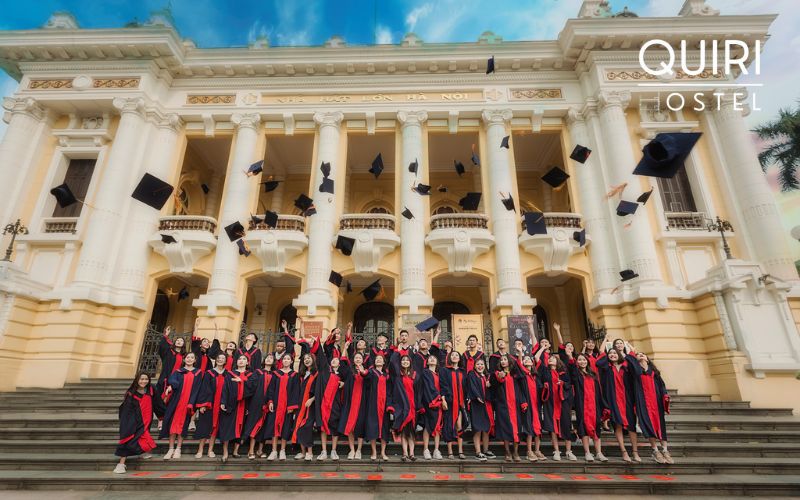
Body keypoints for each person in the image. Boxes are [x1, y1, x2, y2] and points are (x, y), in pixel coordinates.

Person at [625, 344, 673, 464]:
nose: (640, 356)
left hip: (656, 403)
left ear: (647, 359)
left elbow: (662, 386)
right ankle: (655, 450)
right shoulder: (636, 372)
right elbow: (629, 361)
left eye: (642, 355)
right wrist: (632, 352)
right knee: (649, 426)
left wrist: (665, 397)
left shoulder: (654, 373)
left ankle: (665, 450)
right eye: (638, 355)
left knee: (660, 426)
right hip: (643, 403)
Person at [596, 346, 638, 463]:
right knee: (617, 426)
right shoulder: (606, 368)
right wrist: (606, 354)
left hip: (627, 400)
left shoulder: (626, 367)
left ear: (620, 354)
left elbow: (637, 370)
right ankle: (624, 451)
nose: (613, 354)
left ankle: (635, 452)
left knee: (631, 426)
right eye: (611, 353)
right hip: (613, 401)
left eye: (615, 353)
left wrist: (628, 355)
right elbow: (599, 363)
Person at [160, 352, 202, 460]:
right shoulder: (178, 372)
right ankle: (170, 449)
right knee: (172, 425)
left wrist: (192, 403)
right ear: (184, 359)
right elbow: (172, 380)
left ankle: (178, 448)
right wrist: (172, 386)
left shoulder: (198, 373)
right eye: (187, 357)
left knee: (183, 426)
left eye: (192, 357)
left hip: (187, 404)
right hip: (175, 403)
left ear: (195, 360)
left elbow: (197, 389)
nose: (189, 359)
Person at [114, 372, 158, 474]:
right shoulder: (131, 393)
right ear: (137, 380)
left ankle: (142, 452)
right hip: (134, 421)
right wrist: (129, 424)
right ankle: (121, 464)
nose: (144, 381)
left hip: (147, 419)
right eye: (141, 379)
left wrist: (162, 416)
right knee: (128, 439)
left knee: (143, 437)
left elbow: (157, 402)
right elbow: (126, 410)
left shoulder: (151, 389)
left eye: (146, 379)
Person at [538, 351, 576, 461]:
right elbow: (540, 382)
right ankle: (557, 451)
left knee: (566, 425)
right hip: (550, 403)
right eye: (549, 358)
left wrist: (562, 384)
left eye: (553, 358)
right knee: (552, 427)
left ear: (557, 361)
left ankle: (568, 451)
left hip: (563, 402)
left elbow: (570, 383)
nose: (550, 359)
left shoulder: (564, 373)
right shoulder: (545, 372)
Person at [571, 353, 607, 462]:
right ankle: (587, 452)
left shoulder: (593, 374)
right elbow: (571, 368)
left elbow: (598, 391)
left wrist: (602, 405)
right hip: (582, 405)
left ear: (587, 361)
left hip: (594, 405)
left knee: (596, 427)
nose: (582, 361)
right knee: (583, 427)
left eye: (584, 360)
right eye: (580, 360)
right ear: (577, 362)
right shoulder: (576, 374)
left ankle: (599, 453)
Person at [315, 334, 346, 461]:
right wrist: (316, 341)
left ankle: (333, 450)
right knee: (323, 426)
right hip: (324, 403)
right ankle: (323, 451)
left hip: (336, 404)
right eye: (332, 360)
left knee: (334, 426)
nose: (334, 361)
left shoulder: (342, 376)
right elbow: (321, 355)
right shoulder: (324, 371)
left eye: (336, 360)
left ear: (339, 364)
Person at [265, 353, 299, 461]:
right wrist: (270, 401)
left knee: (285, 427)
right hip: (276, 405)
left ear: (291, 361)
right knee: (274, 427)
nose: (286, 360)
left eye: (288, 359)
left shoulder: (294, 375)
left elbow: (295, 392)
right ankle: (274, 451)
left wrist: (292, 406)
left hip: (287, 406)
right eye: (284, 358)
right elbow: (271, 388)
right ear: (281, 361)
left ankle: (282, 450)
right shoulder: (276, 374)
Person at [194, 352, 228, 458]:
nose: (221, 359)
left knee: (215, 428)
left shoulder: (228, 374)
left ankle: (210, 450)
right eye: (219, 358)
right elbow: (204, 389)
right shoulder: (209, 373)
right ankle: (200, 450)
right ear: (216, 360)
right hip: (210, 404)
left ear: (226, 361)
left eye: (223, 358)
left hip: (221, 405)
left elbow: (228, 391)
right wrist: (203, 404)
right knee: (205, 427)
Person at [218, 354, 250, 463]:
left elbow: (252, 390)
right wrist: (223, 402)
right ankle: (225, 452)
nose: (241, 361)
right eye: (239, 359)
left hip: (243, 405)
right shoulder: (230, 374)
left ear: (247, 362)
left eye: (244, 359)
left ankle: (236, 451)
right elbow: (225, 388)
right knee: (227, 427)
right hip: (231, 404)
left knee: (241, 428)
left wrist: (242, 381)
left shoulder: (250, 375)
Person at [242, 353, 275, 460]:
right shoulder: (257, 372)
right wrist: (242, 381)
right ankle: (250, 450)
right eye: (267, 358)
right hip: (256, 403)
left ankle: (260, 450)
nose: (269, 359)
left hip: (269, 404)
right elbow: (250, 385)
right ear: (264, 360)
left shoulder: (275, 374)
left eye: (271, 358)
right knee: (254, 425)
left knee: (264, 427)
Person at [339, 351, 369, 460]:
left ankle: (359, 450)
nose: (357, 359)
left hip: (362, 403)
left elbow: (370, 381)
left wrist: (362, 372)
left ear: (362, 360)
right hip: (350, 403)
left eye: (359, 358)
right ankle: (352, 449)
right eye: (356, 358)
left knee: (359, 426)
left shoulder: (367, 371)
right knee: (350, 426)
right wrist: (345, 348)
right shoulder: (349, 371)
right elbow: (342, 364)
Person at [492, 354, 523, 462]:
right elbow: (495, 383)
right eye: (501, 360)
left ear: (509, 361)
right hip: (503, 405)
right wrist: (500, 377)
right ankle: (507, 452)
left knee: (516, 429)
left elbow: (522, 387)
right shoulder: (497, 373)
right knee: (505, 428)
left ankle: (515, 452)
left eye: (505, 359)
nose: (503, 361)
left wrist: (523, 402)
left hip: (515, 406)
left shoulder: (515, 374)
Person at [155, 326, 186, 429]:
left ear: (183, 344)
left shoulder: (185, 357)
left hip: (177, 382)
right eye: (177, 340)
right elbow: (162, 348)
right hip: (165, 380)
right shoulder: (168, 352)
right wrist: (166, 336)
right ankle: (161, 420)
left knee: (172, 401)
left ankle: (168, 421)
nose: (179, 342)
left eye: (181, 341)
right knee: (162, 400)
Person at [364, 354, 392, 461]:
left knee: (384, 429)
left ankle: (383, 452)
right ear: (374, 362)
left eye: (381, 359)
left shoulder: (386, 375)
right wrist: (363, 371)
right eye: (377, 359)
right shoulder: (371, 372)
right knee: (373, 427)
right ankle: (374, 452)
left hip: (384, 405)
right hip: (373, 403)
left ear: (384, 362)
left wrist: (389, 404)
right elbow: (365, 376)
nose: (379, 360)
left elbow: (389, 390)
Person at [391, 354, 419, 462]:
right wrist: (397, 351)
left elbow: (418, 391)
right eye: (403, 360)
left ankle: (412, 453)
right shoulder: (398, 375)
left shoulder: (415, 375)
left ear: (410, 362)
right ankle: (405, 453)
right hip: (402, 406)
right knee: (403, 431)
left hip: (412, 406)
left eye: (407, 360)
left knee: (411, 431)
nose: (405, 361)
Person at [465, 358, 494, 461]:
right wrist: (477, 396)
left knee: (486, 428)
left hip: (486, 404)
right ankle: (478, 452)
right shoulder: (472, 374)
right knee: (477, 428)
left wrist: (490, 385)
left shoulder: (487, 376)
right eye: (478, 364)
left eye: (482, 364)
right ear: (474, 365)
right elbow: (471, 386)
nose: (480, 366)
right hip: (476, 404)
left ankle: (485, 450)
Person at [517, 354, 544, 461]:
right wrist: (523, 401)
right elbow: (520, 390)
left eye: (529, 359)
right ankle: (529, 451)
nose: (527, 360)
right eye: (525, 359)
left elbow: (540, 389)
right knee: (529, 427)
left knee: (537, 428)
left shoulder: (535, 376)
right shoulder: (522, 375)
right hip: (527, 405)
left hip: (536, 405)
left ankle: (537, 450)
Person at [440, 349, 467, 460]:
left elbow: (466, 387)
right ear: (449, 358)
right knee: (449, 426)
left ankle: (460, 451)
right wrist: (443, 400)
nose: (455, 356)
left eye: (457, 355)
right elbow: (442, 385)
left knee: (459, 426)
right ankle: (450, 452)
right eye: (453, 355)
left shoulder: (462, 372)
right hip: (449, 402)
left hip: (460, 403)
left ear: (460, 358)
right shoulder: (445, 370)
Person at [292, 352, 318, 461]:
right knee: (299, 427)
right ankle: (303, 452)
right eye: (305, 358)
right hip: (300, 405)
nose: (307, 360)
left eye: (309, 358)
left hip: (311, 405)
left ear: (313, 359)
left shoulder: (317, 373)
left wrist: (312, 399)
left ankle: (310, 453)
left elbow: (320, 390)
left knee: (307, 427)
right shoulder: (301, 374)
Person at [419, 353, 442, 460]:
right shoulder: (425, 372)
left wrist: (442, 398)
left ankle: (436, 450)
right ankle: (426, 450)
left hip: (439, 402)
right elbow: (428, 387)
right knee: (427, 426)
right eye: (430, 358)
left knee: (437, 426)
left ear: (437, 362)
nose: (432, 359)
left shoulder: (439, 374)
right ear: (427, 362)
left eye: (434, 358)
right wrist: (437, 397)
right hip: (429, 402)